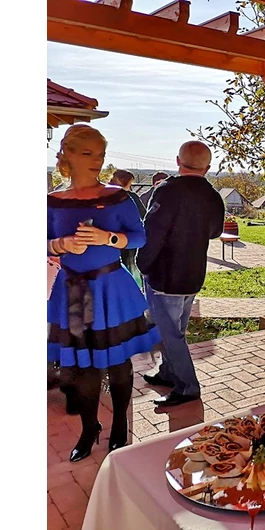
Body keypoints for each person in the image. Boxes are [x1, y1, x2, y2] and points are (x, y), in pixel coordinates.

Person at [47, 125, 161, 461]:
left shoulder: (116, 197)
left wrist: (107, 238)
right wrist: (60, 244)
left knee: (119, 364)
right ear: (67, 155)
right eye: (87, 153)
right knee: (83, 368)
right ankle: (89, 428)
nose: (96, 160)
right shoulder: (52, 202)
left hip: (112, 289)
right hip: (73, 293)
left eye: (100, 154)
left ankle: (120, 425)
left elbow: (139, 236)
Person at [138, 141, 225, 406]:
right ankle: (168, 373)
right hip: (193, 274)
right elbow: (215, 231)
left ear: (178, 161)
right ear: (207, 168)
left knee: (169, 336)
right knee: (177, 330)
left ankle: (188, 387)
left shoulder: (167, 191)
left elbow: (152, 232)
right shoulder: (213, 196)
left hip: (165, 276)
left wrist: (143, 264)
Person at [109, 169, 146, 288]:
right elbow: (143, 215)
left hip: (108, 243)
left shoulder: (102, 195)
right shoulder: (129, 198)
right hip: (129, 241)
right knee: (132, 273)